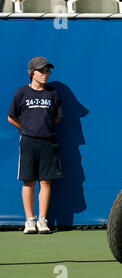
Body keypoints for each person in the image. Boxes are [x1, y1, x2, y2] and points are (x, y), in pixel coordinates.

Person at [7, 56, 63, 234]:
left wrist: (44, 129)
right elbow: (11, 117)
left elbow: (58, 117)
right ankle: (29, 220)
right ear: (32, 73)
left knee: (45, 182)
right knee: (28, 181)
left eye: (47, 71)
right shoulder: (21, 93)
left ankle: (42, 220)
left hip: (48, 141)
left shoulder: (52, 93)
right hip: (28, 142)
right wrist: (25, 129)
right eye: (41, 71)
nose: (45, 74)